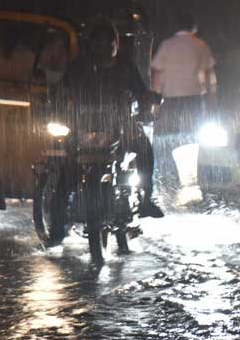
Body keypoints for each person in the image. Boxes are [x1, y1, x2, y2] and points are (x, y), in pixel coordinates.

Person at [59, 20, 163, 218]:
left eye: (108, 43)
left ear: (116, 44)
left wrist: (149, 100)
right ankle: (61, 207)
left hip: (121, 124)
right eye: (99, 43)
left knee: (144, 149)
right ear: (91, 45)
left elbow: (140, 92)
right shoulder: (79, 66)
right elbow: (62, 91)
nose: (103, 48)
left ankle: (147, 198)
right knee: (63, 159)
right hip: (83, 126)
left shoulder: (125, 67)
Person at [150, 12, 217, 200]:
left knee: (171, 138)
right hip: (194, 100)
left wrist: (155, 101)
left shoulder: (166, 45)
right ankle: (191, 182)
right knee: (192, 139)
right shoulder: (200, 45)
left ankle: (169, 181)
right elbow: (209, 75)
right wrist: (212, 101)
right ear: (194, 27)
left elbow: (157, 75)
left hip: (170, 101)